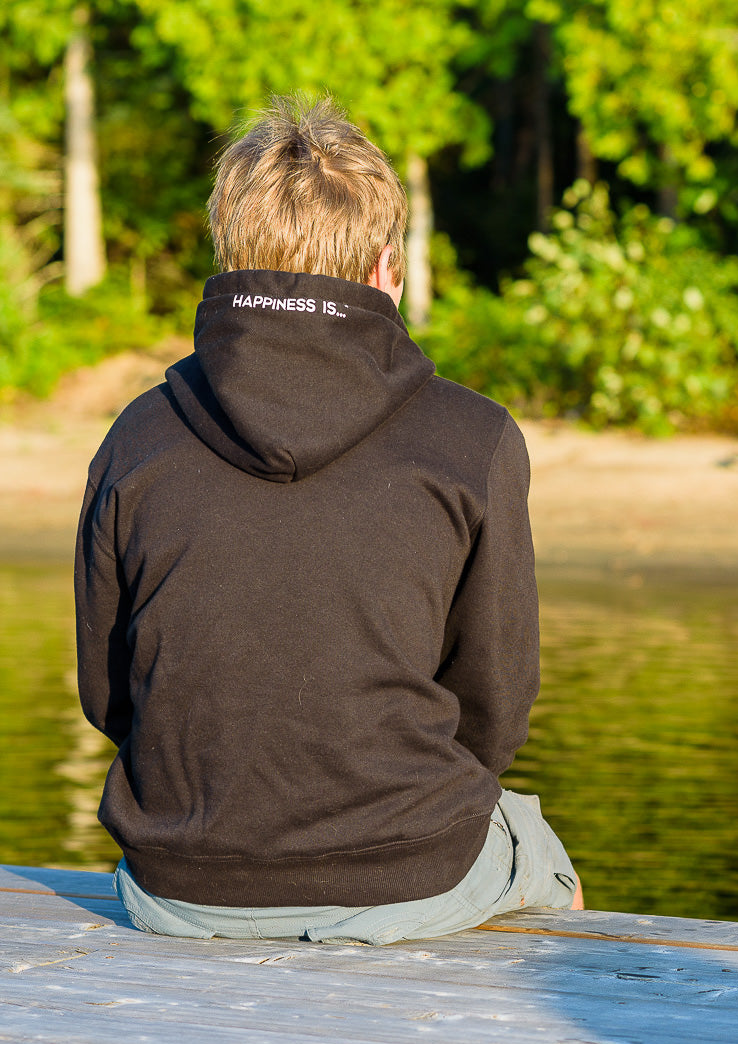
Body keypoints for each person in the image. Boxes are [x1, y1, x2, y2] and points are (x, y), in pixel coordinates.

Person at [74, 94, 581, 945]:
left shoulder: (140, 435)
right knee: (550, 867)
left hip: (178, 882)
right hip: (412, 870)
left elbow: (110, 694)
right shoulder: (474, 437)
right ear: (389, 268)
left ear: (229, 257)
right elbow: (496, 711)